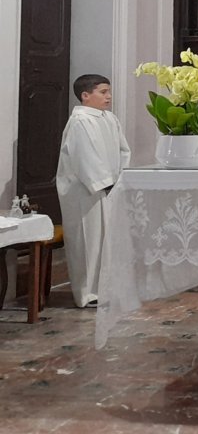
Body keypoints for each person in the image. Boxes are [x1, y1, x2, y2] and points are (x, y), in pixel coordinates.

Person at [55, 74, 130, 308]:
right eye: (103, 92)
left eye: (109, 92)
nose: (109, 97)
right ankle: (87, 293)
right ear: (85, 95)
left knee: (106, 241)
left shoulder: (110, 119)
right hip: (86, 192)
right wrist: (104, 182)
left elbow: (123, 150)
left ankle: (106, 288)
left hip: (109, 188)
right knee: (88, 241)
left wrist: (120, 178)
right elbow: (83, 157)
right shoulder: (80, 121)